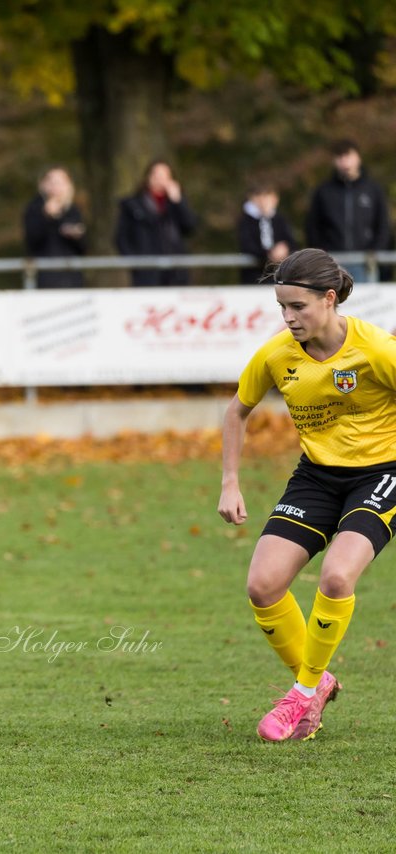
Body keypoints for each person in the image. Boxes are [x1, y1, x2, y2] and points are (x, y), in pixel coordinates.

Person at [217, 247, 396, 742]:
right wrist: (230, 482)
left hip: (382, 473)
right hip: (316, 476)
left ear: (330, 298)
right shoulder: (276, 355)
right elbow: (237, 412)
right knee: (263, 584)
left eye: (298, 307)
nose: (288, 319)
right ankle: (317, 683)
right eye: (282, 308)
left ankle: (301, 696)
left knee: (338, 576)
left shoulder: (378, 349)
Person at [305, 139, 391, 284]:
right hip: (332, 264)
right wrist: (322, 254)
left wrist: (375, 251)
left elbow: (383, 225)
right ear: (334, 161)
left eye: (348, 156)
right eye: (340, 157)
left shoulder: (373, 190)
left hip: (365, 264)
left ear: (358, 158)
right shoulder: (323, 192)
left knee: (366, 305)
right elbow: (312, 226)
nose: (345, 162)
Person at [114, 160, 199, 286]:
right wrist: (135, 263)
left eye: (165, 177)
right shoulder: (133, 206)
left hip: (176, 273)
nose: (160, 180)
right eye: (157, 176)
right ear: (148, 177)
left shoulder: (175, 203)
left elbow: (190, 226)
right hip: (146, 272)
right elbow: (121, 237)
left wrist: (179, 202)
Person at [22, 167, 87, 288]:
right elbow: (32, 240)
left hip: (72, 277)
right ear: (43, 185)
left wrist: (75, 235)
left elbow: (83, 247)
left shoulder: (73, 211)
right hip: (44, 276)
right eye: (51, 182)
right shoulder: (34, 209)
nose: (55, 187)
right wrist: (46, 217)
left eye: (60, 182)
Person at [237, 183, 296, 284]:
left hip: (279, 276)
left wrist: (285, 249)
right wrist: (268, 254)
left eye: (267, 197)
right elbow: (247, 245)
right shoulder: (246, 221)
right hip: (254, 277)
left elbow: (291, 243)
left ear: (275, 199)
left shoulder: (280, 220)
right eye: (260, 197)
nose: (264, 202)